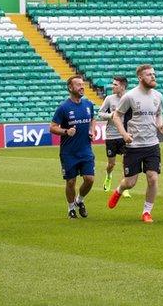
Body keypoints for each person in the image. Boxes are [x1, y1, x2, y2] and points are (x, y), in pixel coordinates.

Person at [107, 64, 163, 223]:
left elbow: (159, 114)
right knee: (130, 183)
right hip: (134, 146)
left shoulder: (158, 96)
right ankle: (119, 190)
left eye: (154, 74)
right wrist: (124, 134)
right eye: (149, 75)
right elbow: (116, 116)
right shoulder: (130, 96)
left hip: (152, 145)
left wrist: (160, 124)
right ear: (140, 77)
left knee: (152, 178)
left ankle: (147, 212)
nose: (153, 77)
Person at [50, 75, 96, 219]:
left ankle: (79, 200)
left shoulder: (88, 105)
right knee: (71, 182)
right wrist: (66, 131)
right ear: (70, 88)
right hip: (68, 152)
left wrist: (92, 130)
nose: (82, 87)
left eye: (83, 84)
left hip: (86, 150)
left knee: (90, 179)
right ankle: (71, 208)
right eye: (78, 85)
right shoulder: (63, 108)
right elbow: (52, 127)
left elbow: (93, 119)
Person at [98, 76, 130, 196]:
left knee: (126, 162)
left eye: (115, 84)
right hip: (111, 135)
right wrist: (111, 115)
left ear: (122, 86)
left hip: (125, 135)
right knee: (111, 164)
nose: (113, 86)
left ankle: (125, 186)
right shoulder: (109, 99)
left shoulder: (129, 98)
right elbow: (100, 113)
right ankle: (108, 175)